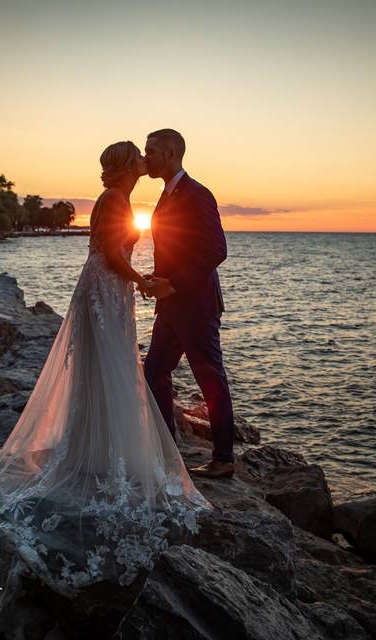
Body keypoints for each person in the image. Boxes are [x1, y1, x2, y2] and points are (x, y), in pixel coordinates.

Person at [0, 141, 213, 626]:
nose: (145, 163)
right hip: (107, 289)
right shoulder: (116, 201)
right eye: (140, 158)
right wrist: (144, 281)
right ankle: (98, 453)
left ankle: (96, 449)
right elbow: (109, 253)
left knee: (110, 370)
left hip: (110, 291)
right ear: (129, 166)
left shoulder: (118, 199)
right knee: (110, 370)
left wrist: (138, 281)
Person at [138, 128, 237, 479]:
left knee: (210, 378)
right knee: (153, 372)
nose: (145, 156)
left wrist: (173, 283)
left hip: (195, 307)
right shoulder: (166, 195)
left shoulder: (197, 194)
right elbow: (177, 248)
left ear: (170, 154)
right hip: (171, 307)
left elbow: (215, 250)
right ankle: (167, 450)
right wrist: (156, 278)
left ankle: (224, 458)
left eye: (150, 151)